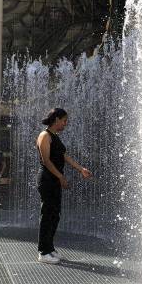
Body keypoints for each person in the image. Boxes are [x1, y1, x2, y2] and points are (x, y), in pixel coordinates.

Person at [36, 108, 92, 264]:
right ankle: (43, 252)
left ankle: (50, 248)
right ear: (56, 119)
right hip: (47, 179)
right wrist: (60, 177)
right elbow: (46, 160)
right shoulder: (44, 135)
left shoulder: (55, 136)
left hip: (54, 179)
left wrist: (81, 169)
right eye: (64, 120)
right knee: (47, 214)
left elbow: (63, 156)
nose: (66, 124)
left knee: (55, 214)